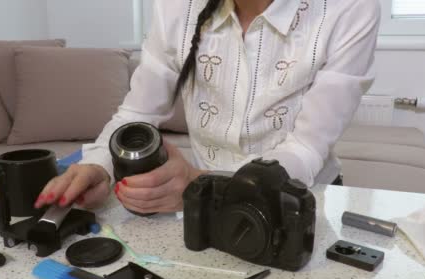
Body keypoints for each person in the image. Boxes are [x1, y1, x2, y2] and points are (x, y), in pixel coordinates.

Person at [34, 0, 380, 214]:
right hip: (200, 201)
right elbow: (138, 113)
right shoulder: (176, 6)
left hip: (299, 199)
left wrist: (199, 184)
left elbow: (305, 149)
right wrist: (100, 166)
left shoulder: (350, 8)